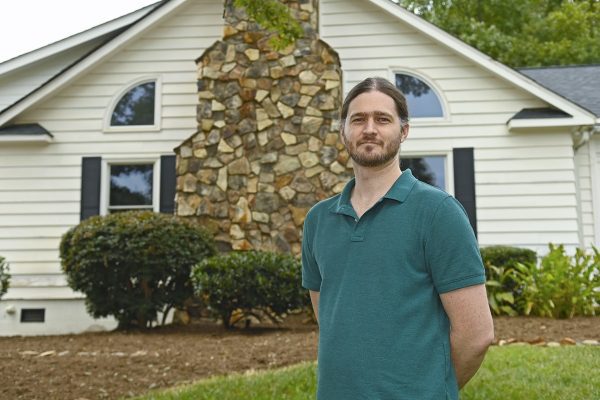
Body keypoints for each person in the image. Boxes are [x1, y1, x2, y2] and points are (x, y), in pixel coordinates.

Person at [301, 77, 494, 400]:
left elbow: (476, 334)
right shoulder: (318, 221)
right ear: (343, 131)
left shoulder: (439, 213)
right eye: (358, 119)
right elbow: (331, 319)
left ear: (403, 131)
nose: (370, 129)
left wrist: (430, 388)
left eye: (383, 119)